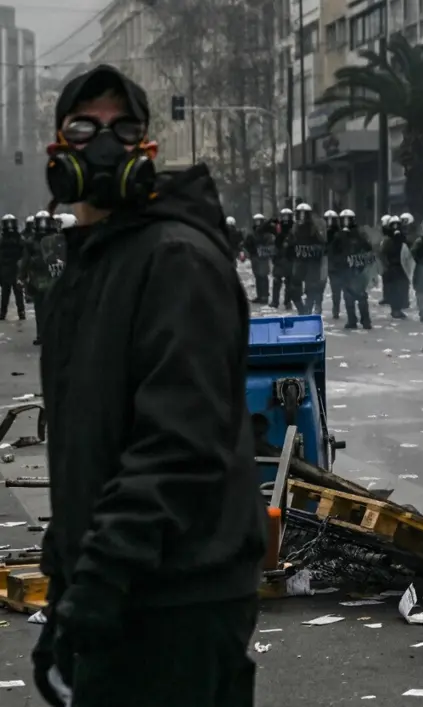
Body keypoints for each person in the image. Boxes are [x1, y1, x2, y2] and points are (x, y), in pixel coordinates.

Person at [33, 63, 265, 707]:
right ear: (58, 146)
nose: (103, 142)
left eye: (122, 127)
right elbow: (86, 445)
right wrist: (65, 582)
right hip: (125, 584)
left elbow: (177, 440)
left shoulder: (174, 258)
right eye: (85, 126)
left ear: (147, 150)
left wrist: (99, 580)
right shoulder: (89, 266)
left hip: (177, 598)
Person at [21, 210, 65, 346]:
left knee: (53, 309)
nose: (43, 225)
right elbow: (25, 259)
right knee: (40, 309)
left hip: (53, 277)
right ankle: (41, 334)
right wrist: (22, 275)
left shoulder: (56, 239)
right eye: (40, 222)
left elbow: (62, 256)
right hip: (38, 278)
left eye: (44, 222)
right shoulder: (31, 241)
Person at [339, 208, 373, 330]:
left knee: (361, 295)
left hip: (358, 268)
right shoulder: (340, 235)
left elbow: (368, 249)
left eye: (348, 220)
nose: (346, 222)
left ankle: (365, 320)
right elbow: (335, 251)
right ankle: (352, 320)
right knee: (348, 296)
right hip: (347, 269)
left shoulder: (359, 234)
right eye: (344, 220)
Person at [291, 203, 327, 315]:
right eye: (299, 214)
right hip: (299, 261)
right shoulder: (295, 228)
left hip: (312, 263)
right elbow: (290, 244)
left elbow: (322, 245)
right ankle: (302, 310)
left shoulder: (314, 228)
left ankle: (307, 311)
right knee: (293, 289)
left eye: (304, 214)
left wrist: (312, 249)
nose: (301, 216)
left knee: (311, 288)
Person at [381, 212, 413, 320]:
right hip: (393, 267)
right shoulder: (388, 240)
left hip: (401, 267)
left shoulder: (402, 239)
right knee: (394, 288)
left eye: (397, 225)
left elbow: (408, 251)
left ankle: (399, 307)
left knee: (401, 287)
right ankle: (395, 309)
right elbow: (383, 254)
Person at [0, 214, 26, 321]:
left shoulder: (19, 239)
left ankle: (20, 312)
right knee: (6, 294)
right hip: (7, 270)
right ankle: (3, 313)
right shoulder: (2, 240)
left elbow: (25, 254)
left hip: (15, 270)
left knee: (17, 294)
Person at [324, 210, 348, 319]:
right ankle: (336, 309)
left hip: (339, 264)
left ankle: (337, 309)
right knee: (336, 290)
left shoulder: (341, 234)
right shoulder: (325, 233)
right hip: (334, 264)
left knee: (339, 289)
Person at [245, 213, 273, 304]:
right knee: (257, 277)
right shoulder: (252, 234)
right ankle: (260, 295)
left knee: (263, 277)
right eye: (256, 221)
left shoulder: (267, 234)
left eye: (259, 221)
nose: (258, 223)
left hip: (263, 257)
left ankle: (265, 296)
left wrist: (263, 250)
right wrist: (250, 251)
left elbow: (270, 245)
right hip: (255, 257)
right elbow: (247, 244)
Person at [270, 207, 293, 308]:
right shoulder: (278, 228)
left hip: (288, 258)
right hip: (280, 258)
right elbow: (275, 243)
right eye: (284, 216)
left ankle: (287, 302)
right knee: (277, 281)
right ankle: (276, 301)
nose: (285, 218)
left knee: (289, 282)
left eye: (287, 216)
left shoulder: (293, 227)